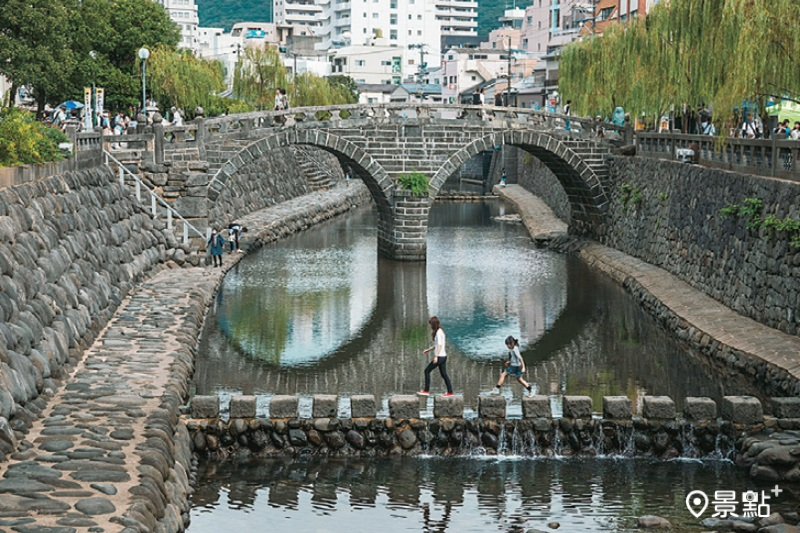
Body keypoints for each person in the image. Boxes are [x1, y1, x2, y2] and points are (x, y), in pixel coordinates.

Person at [418, 316, 454, 397]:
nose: (430, 326)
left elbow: (440, 345)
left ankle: (426, 390)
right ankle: (450, 392)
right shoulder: (440, 331)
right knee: (444, 374)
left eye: (431, 324)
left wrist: (436, 356)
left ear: (434, 324)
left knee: (427, 371)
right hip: (443, 356)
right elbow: (437, 345)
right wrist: (428, 349)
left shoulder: (439, 332)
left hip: (440, 357)